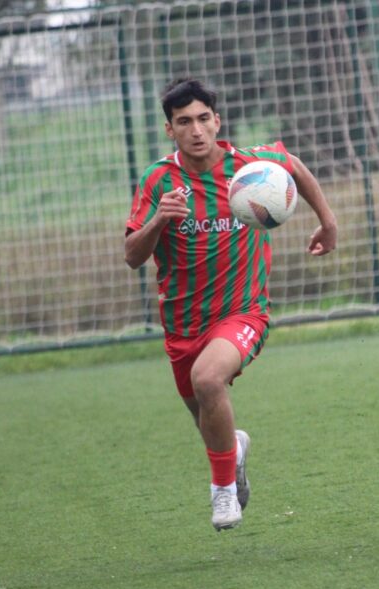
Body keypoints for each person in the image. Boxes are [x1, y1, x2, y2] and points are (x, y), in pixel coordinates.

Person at [124, 78, 338, 532]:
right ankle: (234, 450)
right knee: (206, 410)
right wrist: (159, 220)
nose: (196, 130)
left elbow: (294, 165)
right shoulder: (158, 181)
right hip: (183, 324)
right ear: (170, 130)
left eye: (203, 119)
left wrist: (328, 221)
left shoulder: (249, 167)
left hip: (244, 311)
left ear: (217, 121)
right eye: (184, 122)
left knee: (208, 379)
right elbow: (132, 257)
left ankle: (222, 493)